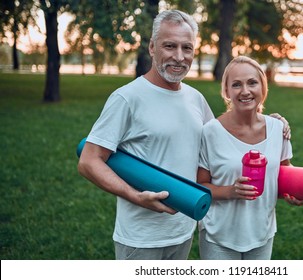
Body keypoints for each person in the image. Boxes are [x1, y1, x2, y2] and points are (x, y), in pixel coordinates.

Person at [78, 10, 290, 260]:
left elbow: (228, 135)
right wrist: (135, 196)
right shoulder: (127, 98)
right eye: (170, 46)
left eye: (187, 48)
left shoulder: (195, 99)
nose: (179, 57)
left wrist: (268, 121)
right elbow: (89, 161)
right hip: (141, 237)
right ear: (153, 47)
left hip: (185, 229)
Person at [197, 56, 303, 260]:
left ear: (263, 88)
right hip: (219, 236)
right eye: (236, 84)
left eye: (252, 82)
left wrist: (294, 192)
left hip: (262, 234)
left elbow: (283, 173)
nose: (245, 91)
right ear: (227, 91)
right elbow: (199, 185)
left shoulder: (278, 129)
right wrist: (230, 191)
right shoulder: (210, 132)